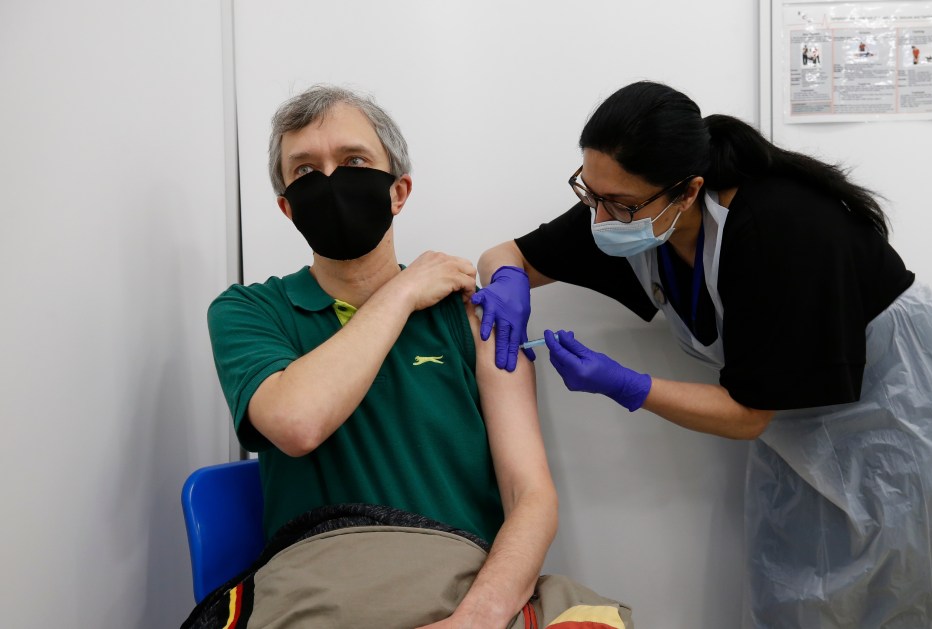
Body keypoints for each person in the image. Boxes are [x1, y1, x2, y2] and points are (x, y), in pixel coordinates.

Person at [473, 81, 932, 627]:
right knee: (794, 587)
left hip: (896, 402)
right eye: (590, 193)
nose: (601, 218)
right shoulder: (630, 212)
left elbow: (747, 414)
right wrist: (509, 279)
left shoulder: (777, 228)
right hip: (793, 417)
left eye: (619, 203)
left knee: (896, 589)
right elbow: (507, 254)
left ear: (687, 190)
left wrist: (624, 384)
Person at [200, 85, 631, 629]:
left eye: (354, 160)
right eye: (305, 171)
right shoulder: (248, 312)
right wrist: (402, 294)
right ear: (287, 208)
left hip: (468, 587)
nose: (330, 180)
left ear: (398, 191)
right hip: (322, 589)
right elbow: (297, 422)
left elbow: (531, 496)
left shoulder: (473, 315)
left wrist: (475, 619)